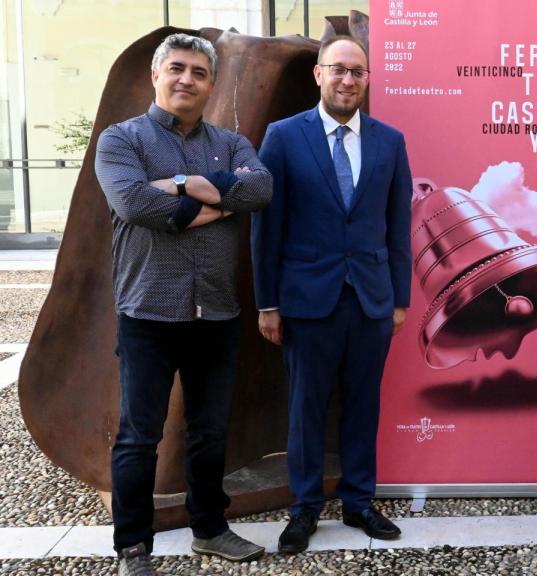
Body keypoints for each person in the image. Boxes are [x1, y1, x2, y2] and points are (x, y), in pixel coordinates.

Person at [95, 32, 272, 576]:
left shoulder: (232, 143)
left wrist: (185, 185)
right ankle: (133, 548)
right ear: (156, 75)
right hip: (148, 311)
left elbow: (260, 188)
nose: (186, 80)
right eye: (176, 69)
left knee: (209, 430)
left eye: (198, 72)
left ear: (212, 83)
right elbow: (133, 201)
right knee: (139, 436)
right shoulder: (121, 140)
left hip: (215, 313)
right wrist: (206, 195)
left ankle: (210, 530)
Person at [251, 35, 412, 553]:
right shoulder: (282, 136)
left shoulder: (389, 141)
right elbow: (266, 229)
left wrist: (401, 298)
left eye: (358, 72)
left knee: (364, 404)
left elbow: (397, 226)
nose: (349, 80)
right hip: (306, 299)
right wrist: (267, 302)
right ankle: (304, 509)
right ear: (319, 74)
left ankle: (360, 501)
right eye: (339, 69)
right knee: (307, 407)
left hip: (370, 298)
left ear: (367, 80)